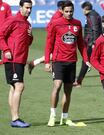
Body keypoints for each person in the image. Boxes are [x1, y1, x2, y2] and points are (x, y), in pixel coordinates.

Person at [44, 0, 89, 127]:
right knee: (57, 85)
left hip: (72, 62)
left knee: (68, 91)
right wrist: (47, 61)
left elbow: (81, 43)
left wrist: (86, 59)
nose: (69, 14)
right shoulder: (55, 24)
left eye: (71, 11)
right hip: (58, 61)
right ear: (61, 11)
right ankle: (52, 116)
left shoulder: (77, 24)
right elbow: (49, 44)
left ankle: (65, 117)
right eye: (66, 11)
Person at [0, 0, 32, 128]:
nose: (29, 10)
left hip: (21, 60)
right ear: (20, 7)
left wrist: (30, 37)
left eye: (30, 8)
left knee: (14, 88)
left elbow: (27, 42)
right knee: (19, 86)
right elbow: (1, 35)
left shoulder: (27, 23)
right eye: (26, 8)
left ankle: (14, 117)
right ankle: (15, 119)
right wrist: (6, 50)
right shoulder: (13, 20)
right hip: (13, 58)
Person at [27, 0, 65, 74]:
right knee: (57, 55)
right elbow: (49, 28)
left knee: (55, 55)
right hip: (55, 39)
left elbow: (48, 27)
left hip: (55, 38)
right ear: (61, 8)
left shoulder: (58, 15)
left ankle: (34, 63)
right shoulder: (57, 17)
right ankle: (57, 73)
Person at [73, 1, 102, 87]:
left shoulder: (92, 16)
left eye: (83, 9)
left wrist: (93, 43)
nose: (82, 11)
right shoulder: (92, 15)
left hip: (91, 43)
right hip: (89, 42)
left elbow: (95, 29)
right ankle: (78, 81)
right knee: (88, 61)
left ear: (85, 9)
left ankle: (78, 82)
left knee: (87, 61)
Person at [0, 0, 12, 64]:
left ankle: (3, 59)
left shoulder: (6, 6)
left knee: (3, 44)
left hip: (3, 31)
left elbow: (10, 19)